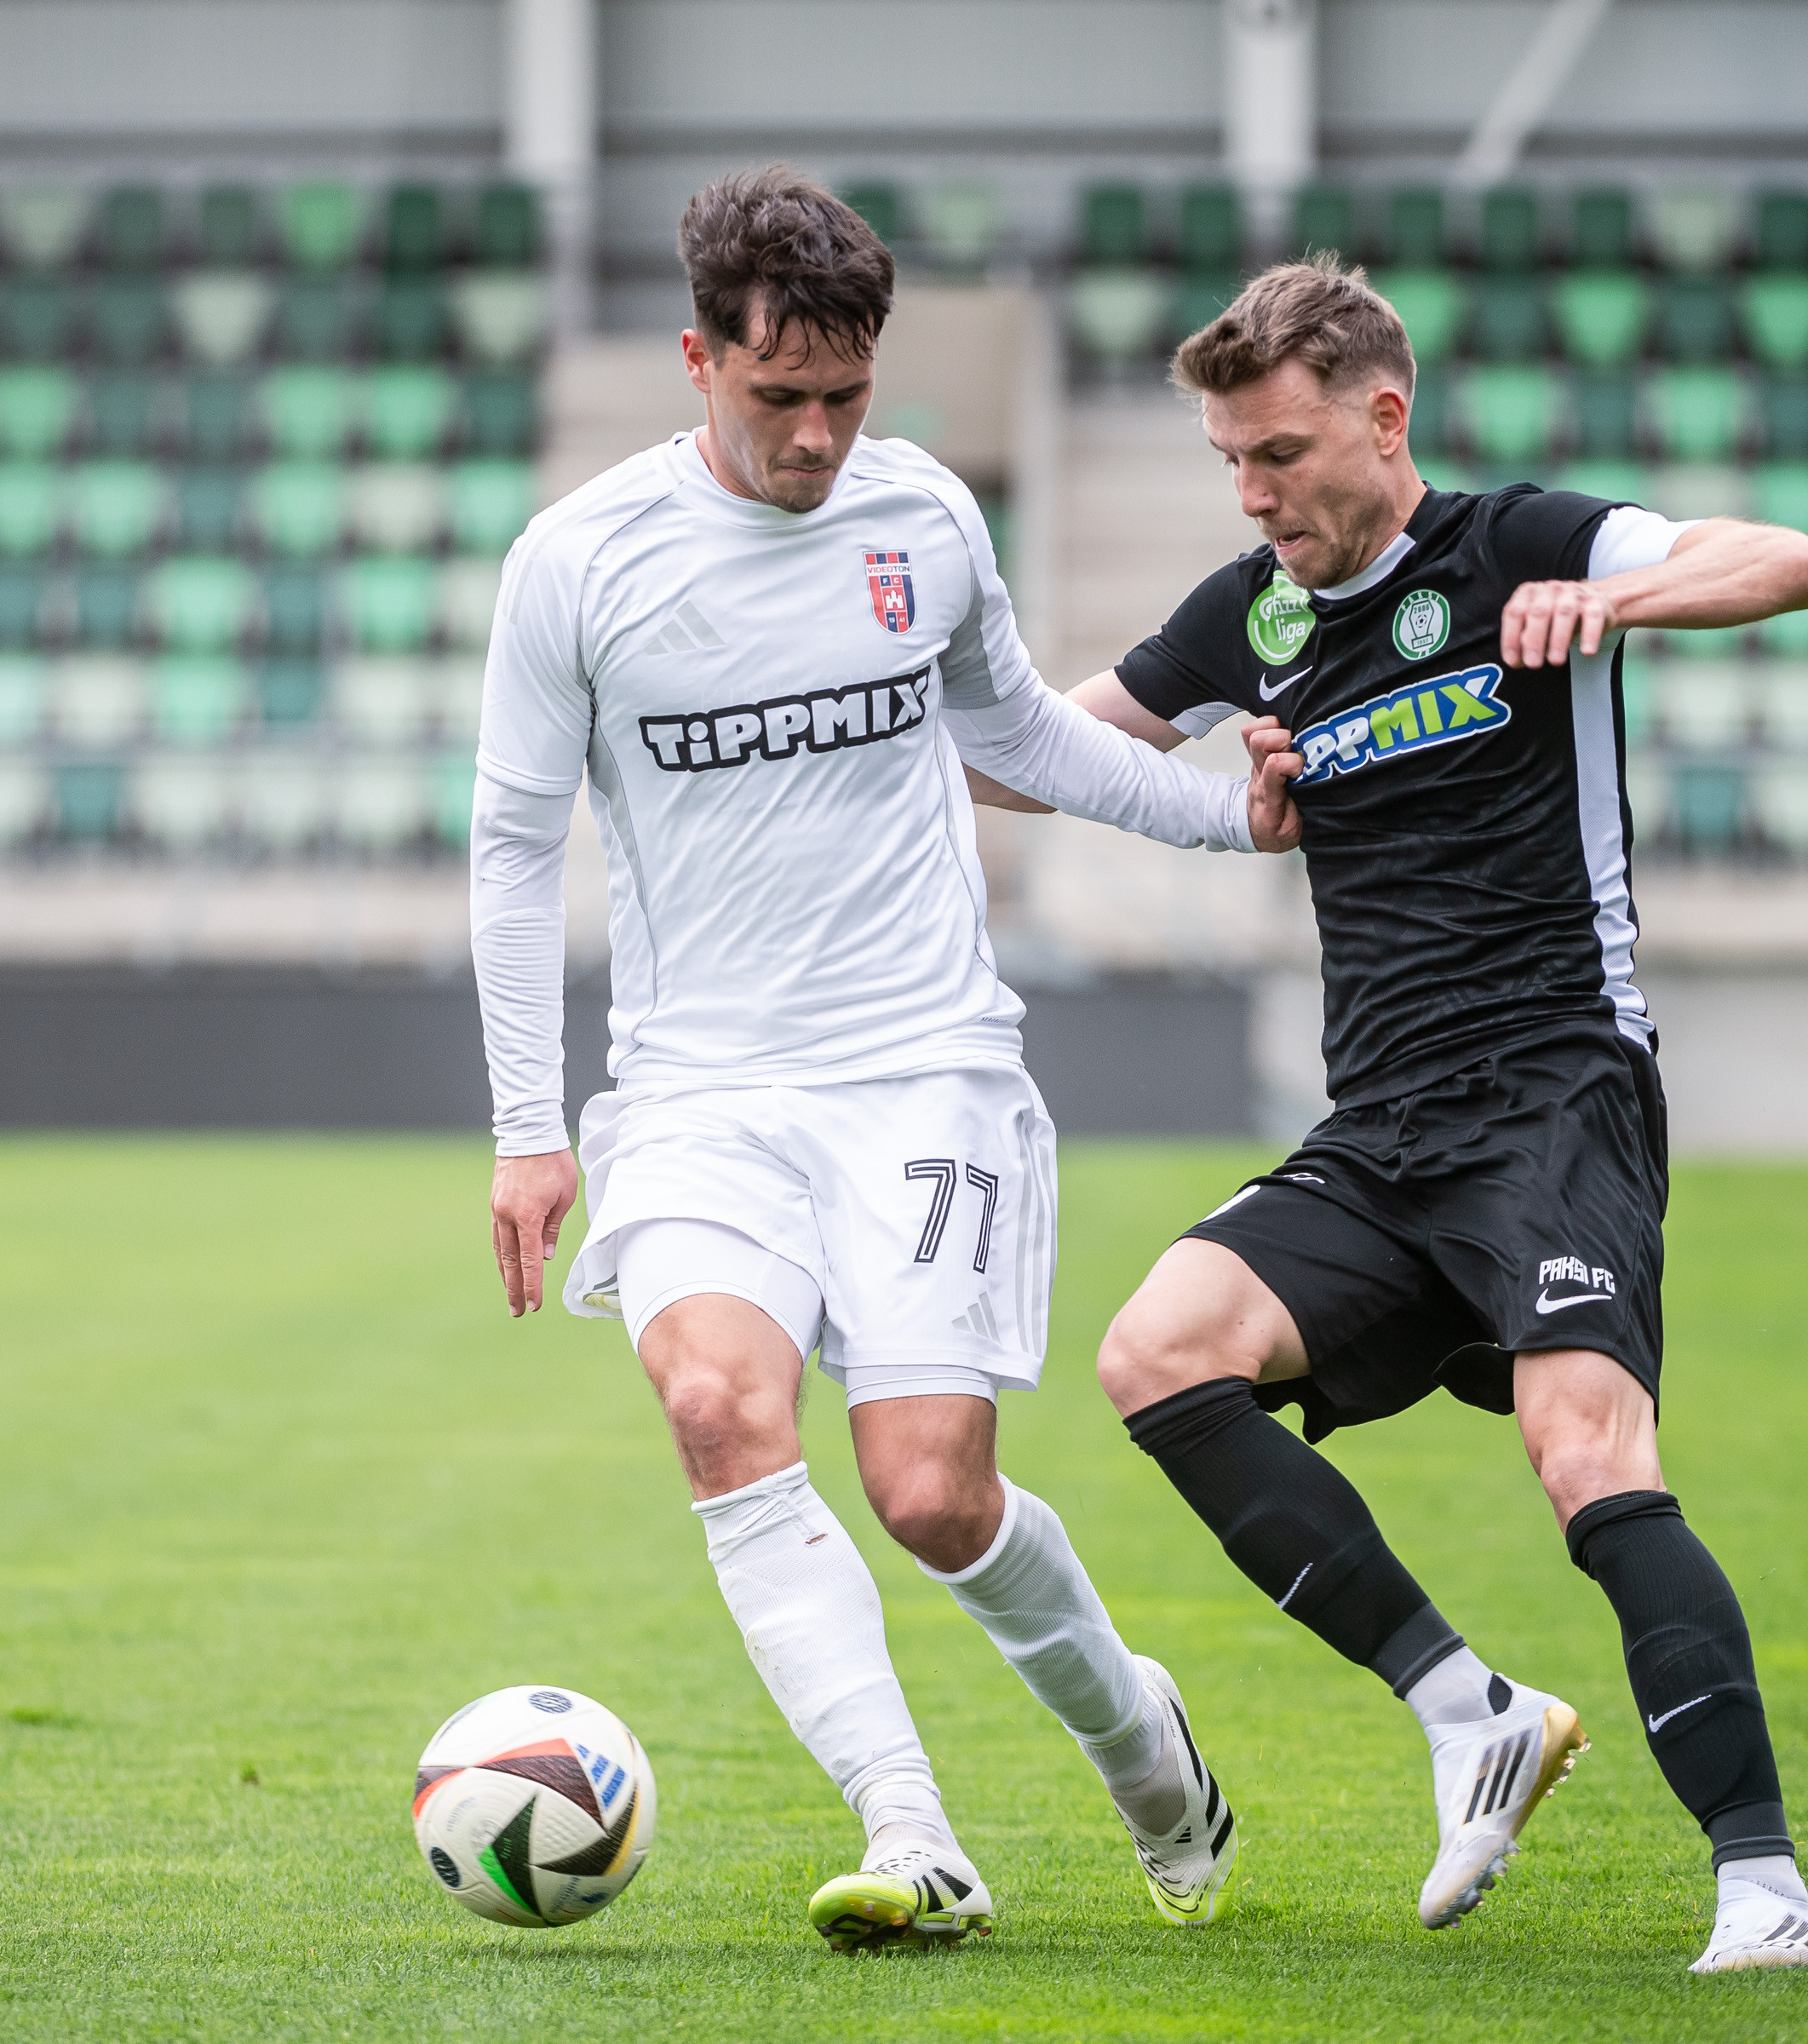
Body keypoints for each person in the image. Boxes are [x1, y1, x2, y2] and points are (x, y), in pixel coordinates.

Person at [472, 168, 1303, 1951]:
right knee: (718, 1409)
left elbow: (1025, 740)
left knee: (931, 1493)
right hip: (698, 1091)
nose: (818, 436)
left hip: (923, 1067)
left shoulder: (921, 516)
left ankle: (1142, 1746)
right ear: (698, 360)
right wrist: (529, 1127)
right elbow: (514, 847)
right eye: (780, 397)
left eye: (847, 396)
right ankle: (911, 1831)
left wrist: (1224, 817)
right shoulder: (580, 563)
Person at [1016, 256, 1808, 1972]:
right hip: (1381, 1123)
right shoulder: (1249, 617)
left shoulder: (1520, 543)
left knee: (1586, 1454)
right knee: (1156, 1351)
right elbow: (1028, 746)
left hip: (1555, 1090)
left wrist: (1618, 605)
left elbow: (1791, 559)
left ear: (1385, 419)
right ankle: (1471, 1709)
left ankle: (1766, 1893)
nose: (1255, 498)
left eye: (1281, 455)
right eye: (1231, 463)